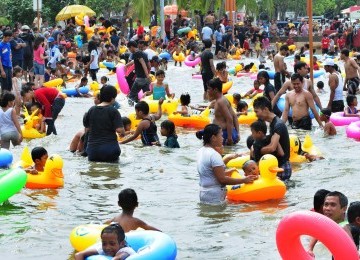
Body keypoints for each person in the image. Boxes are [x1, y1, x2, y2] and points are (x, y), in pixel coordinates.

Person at [196, 124, 258, 205]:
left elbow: (210, 173)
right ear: (213, 138)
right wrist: (243, 180)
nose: (223, 138)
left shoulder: (201, 151)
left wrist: (226, 172)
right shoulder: (214, 155)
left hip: (204, 192)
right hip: (214, 196)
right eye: (221, 136)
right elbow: (222, 179)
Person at [253, 96, 291, 181]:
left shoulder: (278, 125)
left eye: (257, 111)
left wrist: (257, 150)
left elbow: (272, 147)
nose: (256, 115)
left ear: (265, 109)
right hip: (278, 165)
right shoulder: (272, 123)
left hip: (282, 167)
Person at [83, 85, 125, 162]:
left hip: (93, 151)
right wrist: (122, 134)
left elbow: (87, 129)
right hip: (110, 150)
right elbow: (120, 130)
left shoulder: (91, 110)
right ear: (113, 98)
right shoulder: (113, 111)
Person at [307, 191, 348, 257]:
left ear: (344, 209)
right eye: (326, 204)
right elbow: (317, 230)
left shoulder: (351, 222)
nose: (327, 208)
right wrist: (310, 249)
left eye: (333, 205)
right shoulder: (325, 218)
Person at [207, 78, 239, 145]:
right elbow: (234, 116)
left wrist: (229, 138)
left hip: (224, 135)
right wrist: (237, 133)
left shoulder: (220, 102)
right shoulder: (223, 99)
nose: (208, 91)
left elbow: (229, 119)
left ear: (215, 90)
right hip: (230, 133)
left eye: (209, 89)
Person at [126, 41, 151, 105]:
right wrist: (127, 65)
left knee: (131, 96)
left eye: (129, 48)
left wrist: (147, 75)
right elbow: (149, 66)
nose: (129, 50)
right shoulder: (144, 53)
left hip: (140, 78)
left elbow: (143, 63)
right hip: (146, 80)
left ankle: (132, 109)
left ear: (131, 47)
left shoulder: (136, 53)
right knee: (147, 96)